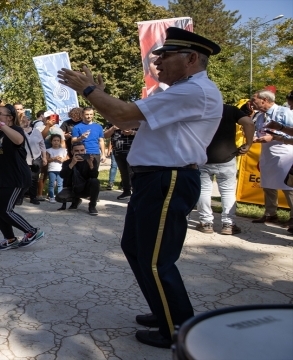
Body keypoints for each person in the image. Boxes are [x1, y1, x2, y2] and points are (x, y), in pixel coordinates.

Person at [58, 27, 223, 348]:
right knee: (136, 249)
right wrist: (99, 93)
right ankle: (166, 311)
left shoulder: (193, 90)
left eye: (165, 55)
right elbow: (126, 121)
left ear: (191, 58)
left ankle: (177, 330)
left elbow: (122, 113)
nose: (157, 61)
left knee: (155, 259)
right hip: (156, 178)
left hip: (169, 177)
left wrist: (90, 89)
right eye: (158, 54)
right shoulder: (177, 90)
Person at [0, 104, 44, 251]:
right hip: (0, 177)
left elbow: (19, 140)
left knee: (5, 209)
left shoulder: (16, 130)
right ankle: (10, 238)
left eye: (0, 114)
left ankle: (32, 231)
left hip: (14, 177)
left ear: (10, 117)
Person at [196, 104, 254, 235]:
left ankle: (206, 223)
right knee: (228, 191)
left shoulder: (199, 108)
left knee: (203, 190)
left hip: (203, 156)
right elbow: (249, 123)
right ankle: (228, 224)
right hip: (227, 156)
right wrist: (249, 143)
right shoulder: (230, 109)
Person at [250, 90, 293, 226]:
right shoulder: (259, 115)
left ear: (264, 100)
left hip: (285, 153)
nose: (251, 103)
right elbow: (259, 131)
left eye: (254, 100)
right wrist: (256, 138)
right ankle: (270, 214)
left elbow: (292, 133)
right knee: (268, 185)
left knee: (289, 186)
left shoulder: (284, 112)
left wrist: (274, 137)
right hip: (268, 153)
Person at [58, 142, 100, 213]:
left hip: (86, 187)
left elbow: (94, 176)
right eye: (77, 151)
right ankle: (75, 201)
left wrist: (91, 165)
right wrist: (72, 164)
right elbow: (62, 175)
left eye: (82, 150)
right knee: (60, 198)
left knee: (95, 181)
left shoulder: (91, 160)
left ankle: (92, 205)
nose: (80, 152)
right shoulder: (67, 162)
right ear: (72, 152)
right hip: (73, 188)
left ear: (85, 150)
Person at [104, 124, 137, 199]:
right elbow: (105, 135)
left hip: (132, 151)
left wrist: (131, 132)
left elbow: (143, 133)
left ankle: (136, 192)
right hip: (118, 151)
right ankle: (126, 191)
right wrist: (113, 128)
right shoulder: (112, 121)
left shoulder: (134, 121)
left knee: (132, 172)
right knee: (123, 173)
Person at [21, 115, 47, 205]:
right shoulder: (19, 132)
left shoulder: (36, 132)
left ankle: (33, 197)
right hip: (23, 159)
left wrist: (44, 157)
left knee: (34, 179)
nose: (26, 122)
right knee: (23, 178)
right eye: (23, 120)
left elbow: (42, 145)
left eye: (27, 120)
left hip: (36, 158)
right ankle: (19, 197)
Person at [45, 134, 67, 203]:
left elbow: (66, 158)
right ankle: (51, 197)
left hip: (60, 169)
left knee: (60, 184)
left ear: (60, 141)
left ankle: (60, 197)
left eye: (58, 140)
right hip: (52, 169)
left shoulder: (63, 150)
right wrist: (53, 158)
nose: (56, 142)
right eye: (54, 140)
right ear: (51, 141)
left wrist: (62, 160)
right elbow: (47, 160)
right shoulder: (49, 150)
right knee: (51, 183)